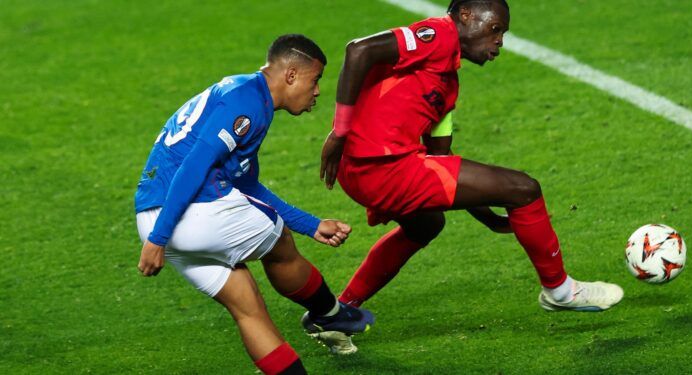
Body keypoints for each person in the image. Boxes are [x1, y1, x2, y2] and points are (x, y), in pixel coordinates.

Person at [318, 0, 623, 352]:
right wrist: (339, 131)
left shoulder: (446, 86)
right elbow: (359, 50)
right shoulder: (439, 35)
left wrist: (489, 218)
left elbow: (442, 163)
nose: (500, 43)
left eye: (503, 34)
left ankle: (338, 312)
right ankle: (560, 291)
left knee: (426, 225)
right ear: (465, 15)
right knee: (523, 188)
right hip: (379, 164)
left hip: (365, 169)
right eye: (495, 29)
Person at [134, 34, 374, 374]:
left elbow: (245, 184)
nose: (317, 91)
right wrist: (158, 239)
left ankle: (328, 319)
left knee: (247, 306)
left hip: (151, 215)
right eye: (315, 80)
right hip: (188, 212)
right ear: (291, 75)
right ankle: (329, 316)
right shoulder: (245, 105)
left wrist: (311, 224)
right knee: (278, 239)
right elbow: (194, 166)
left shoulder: (244, 93)